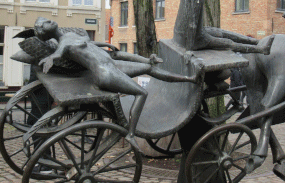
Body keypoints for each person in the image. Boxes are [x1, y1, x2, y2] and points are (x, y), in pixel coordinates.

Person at [30, 17, 197, 146]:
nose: (48, 21)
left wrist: (112, 47)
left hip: (111, 64)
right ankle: (131, 134)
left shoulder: (70, 34)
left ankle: (188, 79)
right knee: (142, 93)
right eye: (43, 24)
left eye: (45, 20)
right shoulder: (63, 42)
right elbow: (59, 53)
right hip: (105, 73)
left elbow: (95, 47)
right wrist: (51, 58)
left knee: (150, 68)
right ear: (45, 33)